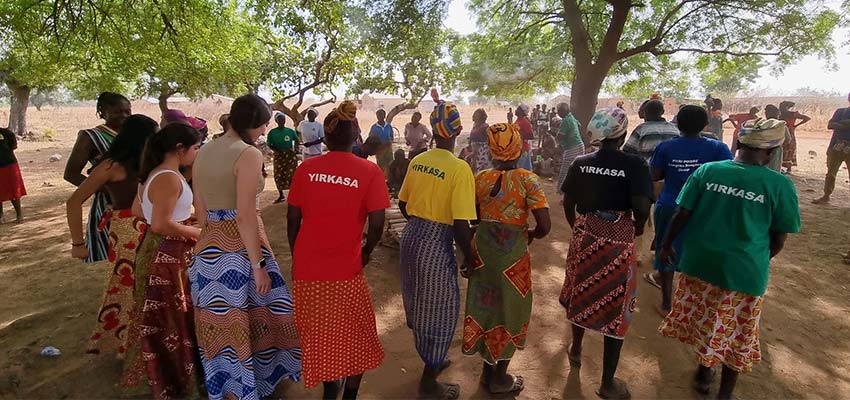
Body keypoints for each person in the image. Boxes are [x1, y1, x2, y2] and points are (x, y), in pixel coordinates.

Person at [658, 118, 800, 400]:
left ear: (738, 143)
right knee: (737, 332)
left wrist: (666, 246)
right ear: (770, 153)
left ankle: (703, 369)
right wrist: (755, 258)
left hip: (699, 263)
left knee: (705, 319)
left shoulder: (707, 171)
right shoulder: (779, 185)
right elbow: (778, 239)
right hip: (743, 272)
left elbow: (682, 214)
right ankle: (725, 393)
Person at [190, 94, 302, 399]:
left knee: (224, 324)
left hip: (208, 249)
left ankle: (228, 387)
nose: (265, 131)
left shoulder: (203, 151)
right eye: (264, 125)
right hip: (240, 250)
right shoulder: (248, 154)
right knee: (265, 312)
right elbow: (244, 215)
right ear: (253, 123)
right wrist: (258, 266)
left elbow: (199, 211)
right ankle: (260, 382)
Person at [286, 100, 388, 399]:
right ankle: (350, 396)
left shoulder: (307, 168)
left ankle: (331, 389)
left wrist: (298, 254)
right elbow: (378, 222)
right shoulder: (369, 172)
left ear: (326, 138)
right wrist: (367, 250)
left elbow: (293, 219)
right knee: (357, 334)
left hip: (308, 271)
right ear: (357, 136)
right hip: (346, 269)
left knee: (321, 336)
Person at [560, 107, 653, 400]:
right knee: (617, 303)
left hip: (585, 234)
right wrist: (637, 228)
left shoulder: (580, 162)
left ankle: (576, 349)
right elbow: (640, 207)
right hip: (618, 238)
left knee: (581, 289)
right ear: (623, 133)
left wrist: (577, 226)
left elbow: (569, 200)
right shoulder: (635, 165)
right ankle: (607, 382)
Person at [398, 89, 476, 400]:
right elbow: (460, 225)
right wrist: (470, 255)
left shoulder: (418, 160)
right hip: (435, 245)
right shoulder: (459, 168)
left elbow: (403, 204)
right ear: (457, 130)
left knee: (419, 301)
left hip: (412, 238)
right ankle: (429, 381)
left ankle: (433, 359)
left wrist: (421, 223)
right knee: (441, 308)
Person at [462, 122, 551, 394]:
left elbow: (473, 218)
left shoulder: (481, 178)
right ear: (518, 150)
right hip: (512, 258)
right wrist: (531, 234)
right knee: (511, 308)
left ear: (491, 152)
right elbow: (545, 226)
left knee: (486, 307)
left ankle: (488, 372)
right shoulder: (528, 180)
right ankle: (500, 378)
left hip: (484, 253)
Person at [120, 124, 203, 399]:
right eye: (195, 147)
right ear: (180, 149)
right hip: (167, 254)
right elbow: (159, 223)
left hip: (153, 249)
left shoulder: (151, 174)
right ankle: (174, 379)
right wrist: (196, 232)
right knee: (172, 315)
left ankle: (159, 374)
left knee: (156, 315)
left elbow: (137, 210)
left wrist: (178, 219)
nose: (197, 152)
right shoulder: (168, 177)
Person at [66, 115, 158, 356]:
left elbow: (74, 202)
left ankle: (139, 343)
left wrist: (78, 243)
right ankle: (139, 343)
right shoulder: (122, 165)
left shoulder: (129, 164)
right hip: (138, 230)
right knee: (137, 287)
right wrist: (78, 243)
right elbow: (74, 202)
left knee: (139, 286)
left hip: (140, 229)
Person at [647, 105, 733, 314]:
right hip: (704, 208)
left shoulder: (666, 148)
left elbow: (655, 175)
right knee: (697, 249)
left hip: (670, 205)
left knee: (665, 249)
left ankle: (667, 303)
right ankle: (695, 303)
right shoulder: (718, 148)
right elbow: (728, 175)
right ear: (705, 124)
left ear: (677, 124)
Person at [64, 92, 131, 262]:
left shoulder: (132, 134)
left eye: (127, 111)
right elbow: (71, 173)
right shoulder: (90, 137)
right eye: (117, 112)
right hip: (108, 204)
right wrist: (102, 187)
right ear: (102, 112)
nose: (123, 116)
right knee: (114, 255)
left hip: (134, 203)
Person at [813, 93, 850, 204]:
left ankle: (826, 196)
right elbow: (830, 125)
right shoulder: (841, 111)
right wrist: (846, 124)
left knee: (831, 173)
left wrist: (840, 124)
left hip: (838, 145)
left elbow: (833, 124)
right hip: (836, 147)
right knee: (830, 173)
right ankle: (826, 195)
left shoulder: (841, 113)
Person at [268, 112, 300, 203]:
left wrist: (295, 149)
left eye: (283, 119)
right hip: (279, 155)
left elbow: (297, 141)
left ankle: (293, 194)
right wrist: (277, 151)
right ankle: (281, 195)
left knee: (292, 174)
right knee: (278, 174)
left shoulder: (290, 131)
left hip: (290, 155)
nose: (282, 121)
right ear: (276, 121)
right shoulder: (272, 133)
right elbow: (270, 144)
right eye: (280, 119)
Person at [555, 102, 585, 193]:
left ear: (561, 112)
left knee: (565, 171)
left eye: (559, 111)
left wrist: (555, 134)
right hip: (579, 146)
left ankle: (564, 192)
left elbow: (560, 136)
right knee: (575, 170)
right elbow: (579, 125)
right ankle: (575, 191)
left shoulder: (565, 120)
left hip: (572, 148)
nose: (558, 113)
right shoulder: (571, 117)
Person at [0, 127, 26, 224]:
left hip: (9, 164)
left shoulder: (6, 133)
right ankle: (1, 216)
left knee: (13, 190)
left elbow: (13, 146)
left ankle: (19, 214)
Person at [779, 101, 811, 174]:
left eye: (783, 106)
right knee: (784, 148)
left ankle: (788, 167)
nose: (781, 108)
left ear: (787, 107)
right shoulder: (784, 114)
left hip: (787, 132)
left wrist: (796, 125)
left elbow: (807, 118)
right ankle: (783, 166)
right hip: (783, 131)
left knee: (789, 148)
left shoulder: (792, 114)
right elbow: (807, 118)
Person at [762, 105, 792, 172]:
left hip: (760, 151)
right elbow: (788, 140)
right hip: (776, 151)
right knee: (774, 169)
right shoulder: (782, 126)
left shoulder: (761, 125)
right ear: (777, 114)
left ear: (766, 114)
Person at [370, 109, 395, 175]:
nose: (379, 117)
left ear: (384, 116)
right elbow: (371, 139)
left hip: (388, 149)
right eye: (378, 115)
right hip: (379, 150)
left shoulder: (388, 126)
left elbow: (391, 136)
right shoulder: (374, 127)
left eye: (381, 115)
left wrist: (390, 142)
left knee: (390, 165)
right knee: (381, 166)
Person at [468, 108, 492, 174]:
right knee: (474, 167)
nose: (474, 117)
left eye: (476, 115)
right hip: (474, 150)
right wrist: (469, 145)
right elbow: (471, 137)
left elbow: (490, 139)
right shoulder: (475, 125)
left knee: (481, 170)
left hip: (482, 151)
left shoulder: (485, 127)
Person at [514, 105, 534, 171]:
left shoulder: (525, 122)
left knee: (521, 169)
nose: (516, 110)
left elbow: (531, 135)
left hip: (523, 149)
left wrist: (519, 135)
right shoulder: (518, 121)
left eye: (518, 109)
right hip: (518, 148)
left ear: (522, 112)